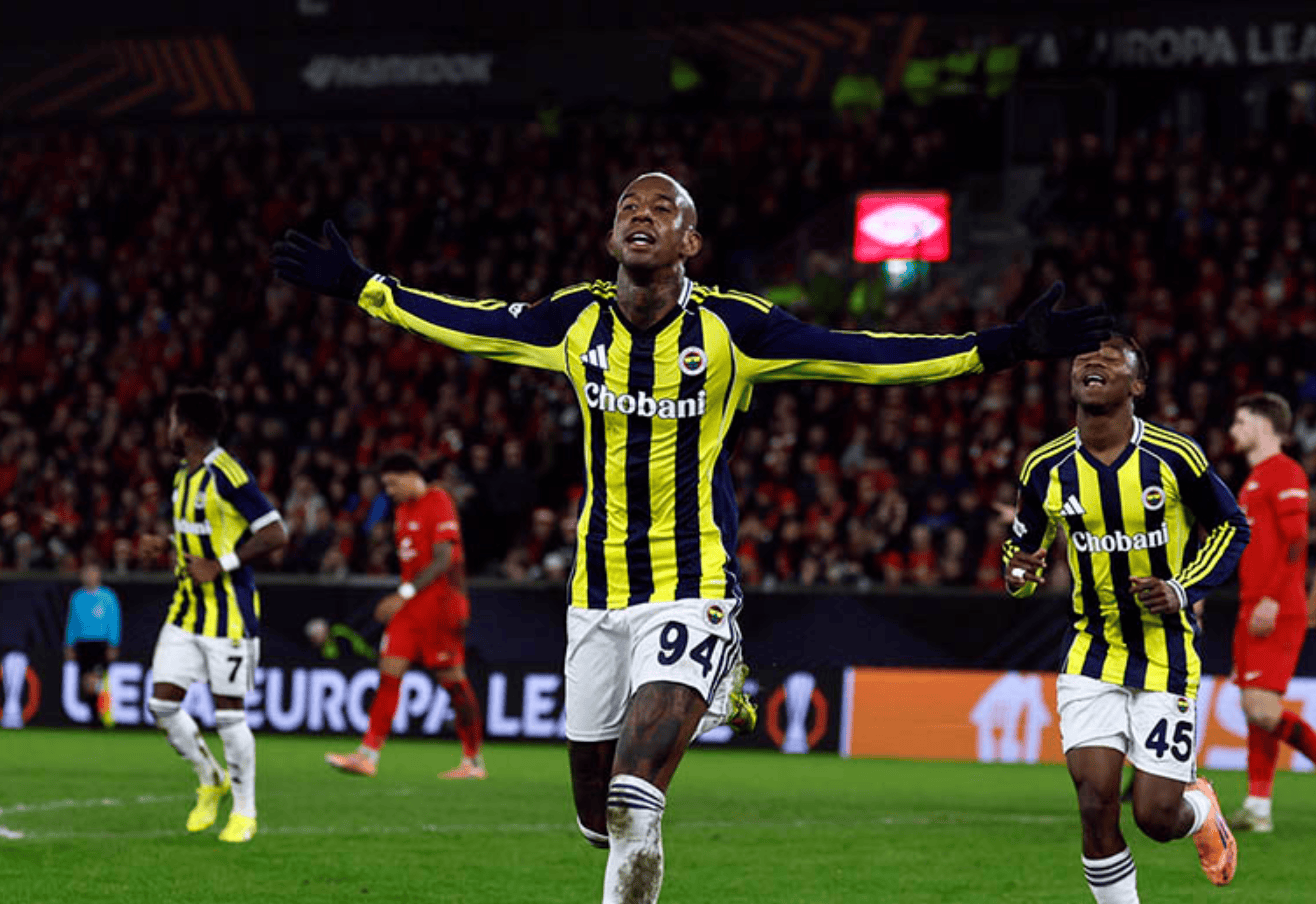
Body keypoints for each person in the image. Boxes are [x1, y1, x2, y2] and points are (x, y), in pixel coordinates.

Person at [273, 171, 1112, 904]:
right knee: (595, 816)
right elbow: (470, 321)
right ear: (611, 236)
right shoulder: (574, 321)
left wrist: (1005, 346)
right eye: (628, 207)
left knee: (633, 799)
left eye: (662, 208)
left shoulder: (735, 329)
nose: (642, 214)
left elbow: (864, 354)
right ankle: (710, 696)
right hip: (596, 595)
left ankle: (712, 665)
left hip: (690, 584)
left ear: (691, 242)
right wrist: (364, 287)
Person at [1004, 334, 1250, 900]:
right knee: (1095, 802)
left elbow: (1231, 526)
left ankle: (1200, 810)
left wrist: (1182, 588)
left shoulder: (1175, 456)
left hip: (1166, 654)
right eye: (1083, 357)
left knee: (1156, 817)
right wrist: (1017, 573)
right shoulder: (1044, 467)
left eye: (1111, 359)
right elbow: (1020, 556)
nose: (1093, 361)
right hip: (1091, 651)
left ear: (1137, 385)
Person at [138, 388, 287, 844]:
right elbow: (204, 536)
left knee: (229, 716)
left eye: (171, 421)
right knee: (162, 705)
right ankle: (211, 777)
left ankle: (245, 811)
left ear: (185, 428)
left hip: (230, 615)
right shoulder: (184, 477)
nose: (166, 430)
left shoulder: (228, 473)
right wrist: (167, 546)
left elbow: (275, 532)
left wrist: (220, 565)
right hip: (186, 609)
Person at [325, 452, 486, 779]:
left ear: (412, 475)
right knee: (388, 673)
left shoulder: (438, 499)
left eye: (393, 483)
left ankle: (473, 760)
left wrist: (403, 593)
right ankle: (367, 755)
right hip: (411, 608)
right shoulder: (401, 510)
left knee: (453, 682)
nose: (389, 491)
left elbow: (443, 559)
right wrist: (405, 595)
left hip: (442, 606)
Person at [1225, 392, 1316, 833]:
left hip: (1275, 608)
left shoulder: (1284, 472)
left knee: (1262, 709)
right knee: (1252, 708)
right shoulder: (1255, 478)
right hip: (1252, 607)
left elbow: (1297, 540)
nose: (1233, 431)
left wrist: (1274, 599)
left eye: (1240, 422)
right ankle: (1258, 806)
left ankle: (1259, 804)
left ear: (1262, 425)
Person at [63, 556, 121, 728]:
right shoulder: (77, 597)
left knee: (94, 679)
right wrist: (69, 644)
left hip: (100, 643)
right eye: (86, 573)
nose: (89, 576)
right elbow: (72, 622)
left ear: (99, 575)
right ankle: (93, 716)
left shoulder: (108, 596)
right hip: (83, 643)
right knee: (85, 681)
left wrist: (113, 644)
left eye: (93, 573)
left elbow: (114, 621)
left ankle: (98, 717)